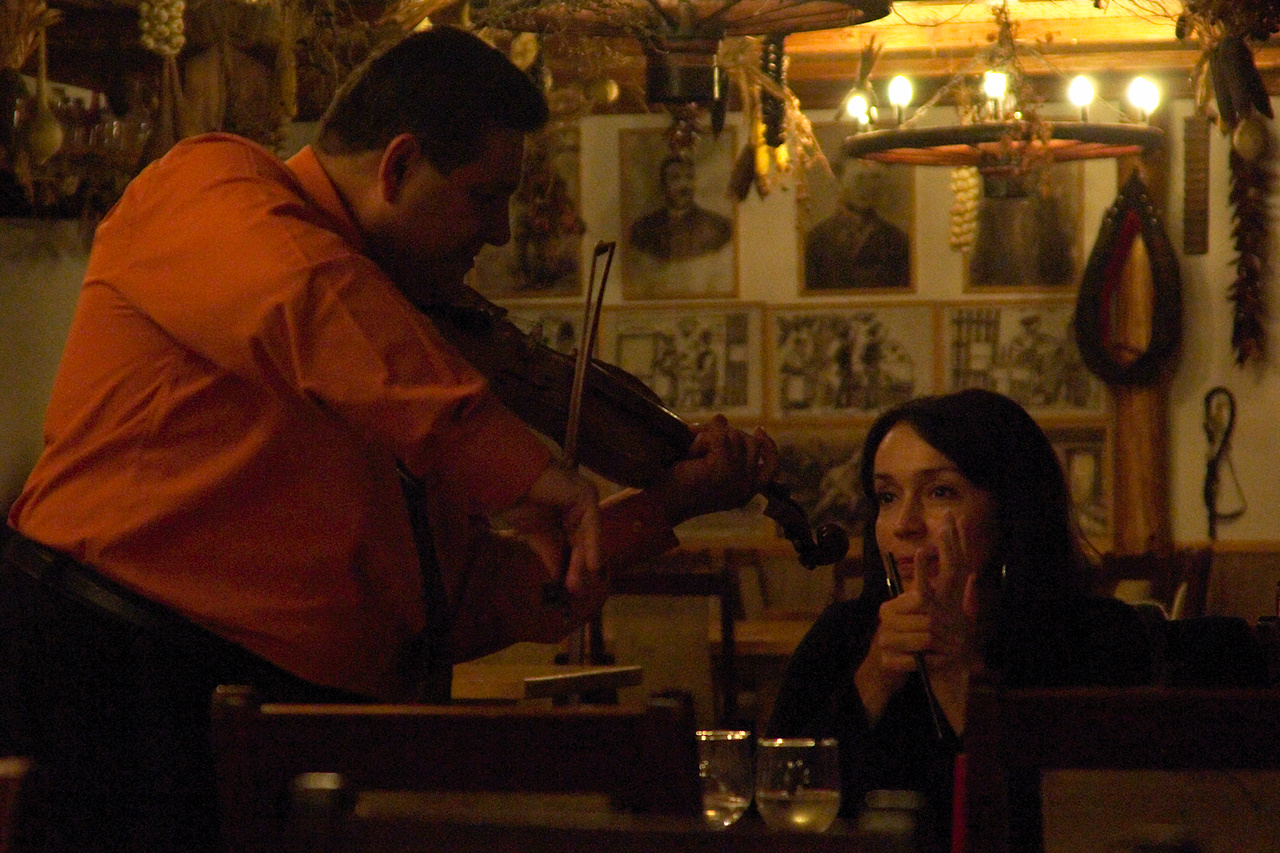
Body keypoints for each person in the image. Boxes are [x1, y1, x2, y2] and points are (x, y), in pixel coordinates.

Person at [0, 26, 777, 853]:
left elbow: (462, 598)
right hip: (111, 683)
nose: (501, 232)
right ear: (398, 165)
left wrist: (664, 506)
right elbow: (305, 298)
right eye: (485, 197)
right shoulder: (211, 186)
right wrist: (519, 464)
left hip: (297, 739)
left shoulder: (411, 348)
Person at [765, 389, 1153, 851]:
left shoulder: (1094, 636)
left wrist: (955, 672)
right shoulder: (844, 633)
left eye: (940, 492)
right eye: (887, 496)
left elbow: (1078, 821)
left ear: (1010, 507)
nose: (905, 523)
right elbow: (776, 808)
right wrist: (873, 680)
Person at [805, 158, 909, 291]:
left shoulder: (897, 241)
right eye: (859, 178)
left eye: (875, 178)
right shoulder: (816, 240)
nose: (868, 187)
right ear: (839, 183)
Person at [628, 154, 733, 263]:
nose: (684, 185)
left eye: (689, 177)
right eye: (675, 178)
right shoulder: (643, 230)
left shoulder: (719, 228)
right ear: (663, 186)